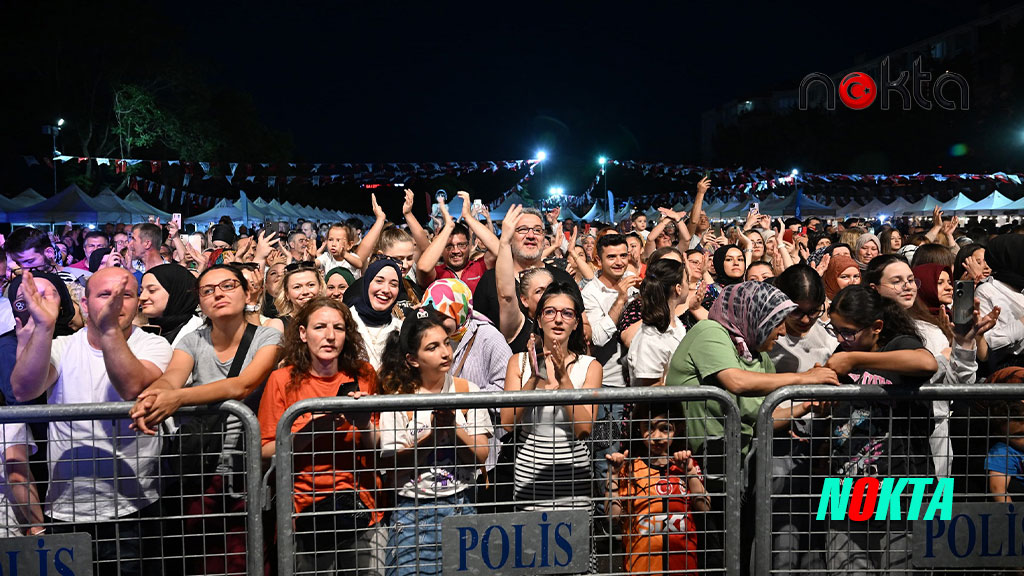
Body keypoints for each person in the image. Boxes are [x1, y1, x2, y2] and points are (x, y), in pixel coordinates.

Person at [11, 268, 173, 575]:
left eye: (125, 295)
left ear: (138, 301)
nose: (116, 304)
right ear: (85, 304)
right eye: (104, 295)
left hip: (133, 507)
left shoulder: (153, 345)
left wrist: (109, 329)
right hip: (66, 507)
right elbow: (23, 389)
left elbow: (132, 386)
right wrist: (44, 327)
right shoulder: (61, 347)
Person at [129, 264, 282, 575]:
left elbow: (243, 384)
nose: (219, 294)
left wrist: (178, 398)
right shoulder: (192, 341)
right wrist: (152, 397)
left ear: (247, 291)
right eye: (208, 291)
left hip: (249, 470)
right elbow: (171, 378)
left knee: (245, 560)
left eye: (227, 286)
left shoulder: (268, 337)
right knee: (199, 559)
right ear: (199, 302)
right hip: (201, 469)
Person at [257, 297, 384, 575]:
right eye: (320, 327)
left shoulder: (364, 374)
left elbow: (378, 450)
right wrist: (312, 431)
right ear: (302, 333)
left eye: (338, 328)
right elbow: (265, 452)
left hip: (362, 510)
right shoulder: (282, 379)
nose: (330, 336)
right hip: (305, 514)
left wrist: (363, 424)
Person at [823, 285, 939, 571]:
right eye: (835, 330)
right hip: (847, 483)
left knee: (904, 565)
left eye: (848, 331)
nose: (841, 339)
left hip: (907, 482)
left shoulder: (899, 344)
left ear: (876, 327)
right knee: (844, 564)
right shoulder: (844, 350)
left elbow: (927, 362)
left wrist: (856, 359)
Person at [377, 308, 492, 576]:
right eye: (432, 347)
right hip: (412, 511)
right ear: (412, 359)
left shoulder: (467, 391)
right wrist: (429, 440)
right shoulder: (397, 399)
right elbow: (393, 462)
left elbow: (481, 455)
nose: (444, 352)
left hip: (461, 503)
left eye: (446, 343)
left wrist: (452, 430)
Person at [501, 283, 601, 511]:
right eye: (550, 312)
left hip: (574, 480)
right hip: (530, 479)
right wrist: (535, 377)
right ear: (538, 319)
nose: (558, 319)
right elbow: (507, 423)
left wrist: (564, 378)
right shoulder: (519, 362)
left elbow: (584, 429)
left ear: (576, 323)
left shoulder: (590, 367)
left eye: (567, 313)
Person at [606, 402, 710, 574]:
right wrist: (614, 475)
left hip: (683, 566)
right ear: (638, 428)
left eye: (665, 428)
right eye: (649, 428)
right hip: (642, 566)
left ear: (678, 429)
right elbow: (612, 516)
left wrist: (690, 472)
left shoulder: (686, 466)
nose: (656, 436)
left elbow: (704, 508)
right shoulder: (630, 468)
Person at [471, 205, 579, 326]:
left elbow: (583, 325)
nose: (531, 235)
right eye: (523, 229)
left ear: (544, 238)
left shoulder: (563, 278)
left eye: (537, 230)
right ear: (510, 237)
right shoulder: (490, 280)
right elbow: (476, 329)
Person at [416, 191, 499, 291]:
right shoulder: (437, 273)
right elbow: (423, 267)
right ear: (442, 249)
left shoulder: (480, 266)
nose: (456, 251)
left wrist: (468, 217)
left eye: (461, 245)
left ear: (469, 245)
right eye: (449, 246)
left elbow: (498, 250)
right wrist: (448, 227)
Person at [626, 258, 689, 386]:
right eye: (686, 281)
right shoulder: (651, 338)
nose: (689, 285)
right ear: (678, 288)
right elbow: (651, 392)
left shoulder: (675, 323)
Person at [975, 234, 1024, 370]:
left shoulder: (1021, 287)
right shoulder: (987, 290)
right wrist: (1021, 324)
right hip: (1009, 369)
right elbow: (988, 343)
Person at [349, 258, 404, 369]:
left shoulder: (399, 328)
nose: (386, 290)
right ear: (367, 283)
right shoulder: (346, 319)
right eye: (379, 281)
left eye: (393, 284)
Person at [138, 263, 203, 346]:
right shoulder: (142, 332)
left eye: (152, 290)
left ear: (176, 292)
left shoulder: (201, 333)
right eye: (141, 291)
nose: (142, 297)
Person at [265, 262, 325, 333]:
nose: (305, 292)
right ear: (287, 294)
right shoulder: (278, 325)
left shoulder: (332, 318)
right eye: (297, 287)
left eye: (311, 285)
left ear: (320, 288)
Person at [4, 227, 76, 283]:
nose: (25, 271)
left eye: (30, 261)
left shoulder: (68, 282)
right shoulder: (21, 282)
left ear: (49, 253)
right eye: (18, 264)